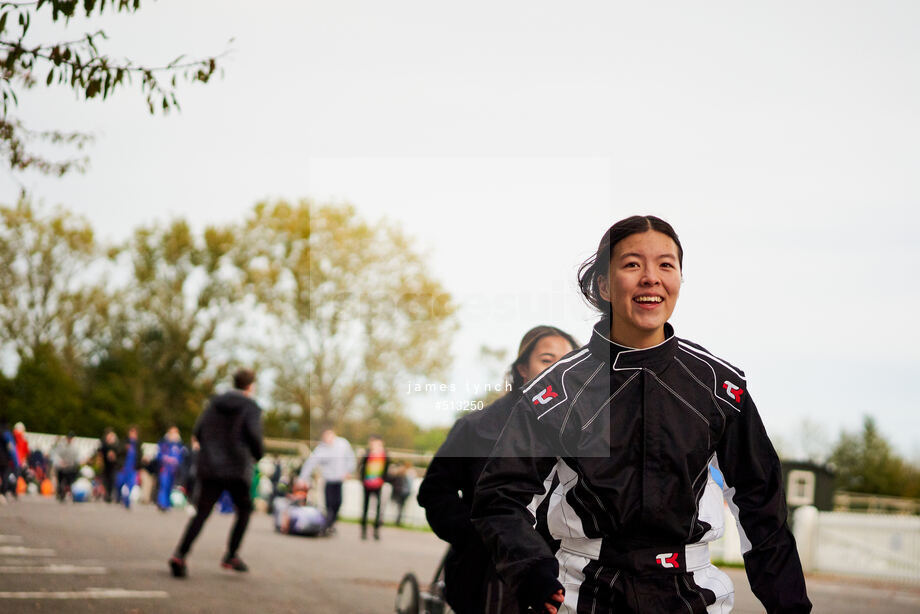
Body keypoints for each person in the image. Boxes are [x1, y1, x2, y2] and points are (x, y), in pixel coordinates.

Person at [471, 216, 812, 614]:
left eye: (666, 265)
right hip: (582, 591)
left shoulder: (719, 386)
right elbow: (499, 497)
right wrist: (531, 569)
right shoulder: (557, 390)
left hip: (694, 593)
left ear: (680, 280)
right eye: (632, 264)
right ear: (603, 284)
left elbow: (761, 505)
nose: (651, 277)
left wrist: (789, 605)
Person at [418, 325, 577, 614]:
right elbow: (435, 491)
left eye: (567, 361)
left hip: (560, 575)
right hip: (483, 573)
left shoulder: (586, 432)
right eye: (546, 359)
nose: (557, 369)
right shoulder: (476, 427)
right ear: (523, 370)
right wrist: (475, 534)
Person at [169, 368, 264, 578]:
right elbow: (254, 435)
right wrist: (258, 455)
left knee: (202, 512)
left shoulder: (215, 403)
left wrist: (211, 451)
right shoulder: (251, 406)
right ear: (250, 386)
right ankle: (231, 554)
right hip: (237, 467)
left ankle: (180, 554)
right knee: (245, 509)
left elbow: (199, 431)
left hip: (210, 466)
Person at [298, 428, 356, 534]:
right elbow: (310, 463)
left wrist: (349, 471)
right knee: (329, 504)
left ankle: (331, 523)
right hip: (329, 480)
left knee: (338, 503)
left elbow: (351, 457)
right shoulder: (321, 449)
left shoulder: (343, 444)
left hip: (339, 479)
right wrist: (302, 478)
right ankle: (327, 525)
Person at [358, 435, 389, 540]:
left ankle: (376, 530)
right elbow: (361, 467)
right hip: (367, 484)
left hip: (378, 484)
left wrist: (383, 480)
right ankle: (363, 530)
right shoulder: (367, 454)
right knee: (365, 507)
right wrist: (363, 480)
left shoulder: (384, 455)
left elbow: (386, 468)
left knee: (378, 508)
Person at [156, 426, 187, 511]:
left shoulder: (179, 445)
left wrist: (177, 462)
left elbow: (181, 457)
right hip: (165, 469)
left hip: (173, 470)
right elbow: (159, 456)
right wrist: (167, 459)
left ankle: (167, 504)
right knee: (164, 486)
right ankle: (162, 503)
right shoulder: (164, 443)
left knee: (170, 487)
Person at [51, 432, 81, 502]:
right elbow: (56, 455)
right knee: (60, 481)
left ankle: (69, 494)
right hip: (61, 467)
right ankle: (61, 494)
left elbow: (76, 457)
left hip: (70, 467)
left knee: (70, 482)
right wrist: (60, 462)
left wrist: (73, 463)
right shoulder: (61, 445)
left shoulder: (75, 447)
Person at [115, 426, 140, 508]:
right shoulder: (123, 442)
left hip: (132, 468)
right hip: (123, 467)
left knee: (131, 485)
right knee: (119, 483)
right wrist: (125, 448)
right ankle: (118, 497)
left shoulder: (137, 444)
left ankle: (127, 501)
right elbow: (118, 452)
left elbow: (139, 456)